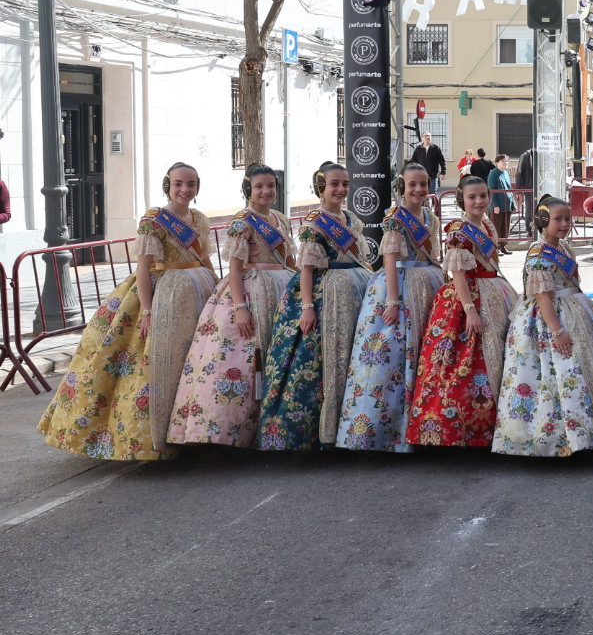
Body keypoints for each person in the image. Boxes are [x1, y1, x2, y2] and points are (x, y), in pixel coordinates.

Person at [39, 162, 216, 461]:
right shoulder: (154, 220)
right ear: (168, 186)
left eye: (191, 184)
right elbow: (144, 269)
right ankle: (152, 436)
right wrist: (146, 311)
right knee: (156, 361)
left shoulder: (199, 219)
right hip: (163, 294)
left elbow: (204, 258)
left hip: (199, 290)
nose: (185, 189)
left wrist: (217, 285)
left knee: (195, 359)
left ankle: (193, 428)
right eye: (178, 184)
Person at [169, 165, 296, 448]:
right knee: (246, 360)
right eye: (259, 186)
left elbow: (290, 261)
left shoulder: (281, 220)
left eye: (271, 186)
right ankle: (234, 431)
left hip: (281, 291)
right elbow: (235, 268)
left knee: (276, 358)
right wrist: (240, 308)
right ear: (248, 189)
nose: (266, 191)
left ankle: (272, 425)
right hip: (251, 292)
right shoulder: (242, 222)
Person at [256, 163, 373, 451]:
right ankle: (323, 430)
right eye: (334, 184)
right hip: (327, 297)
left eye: (345, 184)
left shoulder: (350, 219)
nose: (341, 189)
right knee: (324, 359)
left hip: (355, 292)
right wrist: (307, 307)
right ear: (321, 186)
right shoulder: (314, 224)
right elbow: (307, 269)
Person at [494, 198, 593, 459]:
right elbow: (542, 297)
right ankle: (556, 439)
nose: (564, 224)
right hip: (551, 319)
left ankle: (589, 433)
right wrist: (557, 331)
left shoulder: (563, 247)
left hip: (575, 310)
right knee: (556, 375)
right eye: (557, 219)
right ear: (543, 221)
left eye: (567, 219)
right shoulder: (538, 254)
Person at [335, 163, 445, 453]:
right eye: (413, 185)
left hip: (428, 284)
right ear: (402, 187)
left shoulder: (430, 217)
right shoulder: (395, 219)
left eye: (423, 184)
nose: (419, 189)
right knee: (394, 357)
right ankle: (390, 432)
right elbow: (390, 259)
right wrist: (392, 301)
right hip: (399, 287)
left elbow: (432, 254)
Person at [407, 174, 518, 447]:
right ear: (462, 199)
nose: (478, 201)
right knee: (462, 362)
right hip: (467, 298)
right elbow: (458, 274)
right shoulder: (459, 231)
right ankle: (461, 431)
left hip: (494, 292)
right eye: (472, 197)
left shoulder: (487, 225)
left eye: (483, 196)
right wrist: (470, 311)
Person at [487, 154, 514, 254]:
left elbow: (509, 188)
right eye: (503, 161)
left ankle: (503, 246)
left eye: (506, 161)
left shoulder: (505, 173)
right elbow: (492, 190)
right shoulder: (493, 173)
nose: (505, 163)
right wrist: (496, 205)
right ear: (497, 163)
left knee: (505, 227)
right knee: (496, 227)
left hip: (507, 205)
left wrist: (513, 203)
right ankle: (496, 247)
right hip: (497, 206)